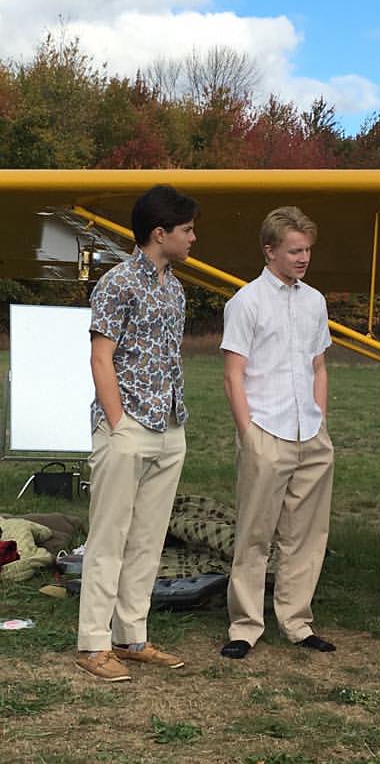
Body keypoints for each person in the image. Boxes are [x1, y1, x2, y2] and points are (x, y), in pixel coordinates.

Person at [76, 184, 198, 682]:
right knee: (110, 537)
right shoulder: (116, 283)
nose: (194, 237)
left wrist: (172, 424)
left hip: (170, 427)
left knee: (148, 539)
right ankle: (92, 645)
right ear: (159, 233)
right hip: (127, 427)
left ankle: (132, 637)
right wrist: (118, 422)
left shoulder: (176, 288)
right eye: (187, 229)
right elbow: (100, 356)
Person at [219, 206, 336, 660]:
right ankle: (245, 626)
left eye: (307, 250)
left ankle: (297, 622)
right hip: (265, 429)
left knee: (307, 534)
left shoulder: (315, 301)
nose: (303, 258)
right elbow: (233, 375)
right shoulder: (245, 302)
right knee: (254, 533)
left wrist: (319, 418)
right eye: (294, 251)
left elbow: (319, 365)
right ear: (270, 251)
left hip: (310, 432)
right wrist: (248, 433)